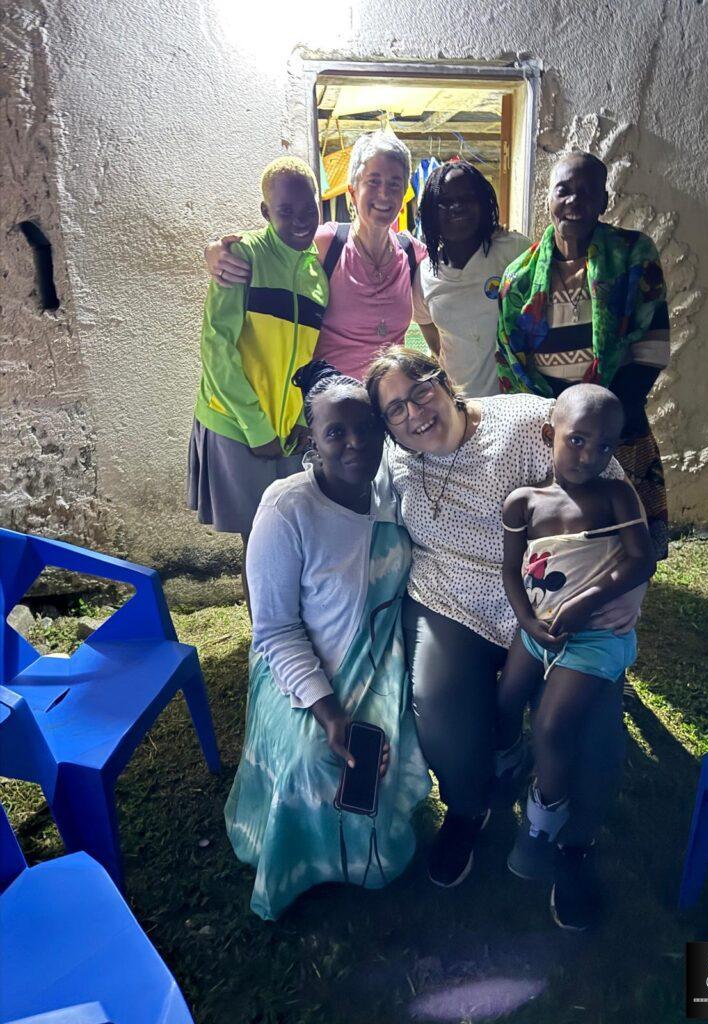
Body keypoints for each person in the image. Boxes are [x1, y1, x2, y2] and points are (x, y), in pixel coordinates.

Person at [364, 347, 632, 927]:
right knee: (439, 708)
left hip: (555, 606)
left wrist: (624, 596)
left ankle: (573, 844)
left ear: (445, 381)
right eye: (394, 410)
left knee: (593, 732)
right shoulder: (394, 460)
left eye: (421, 392)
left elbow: (613, 486)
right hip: (451, 600)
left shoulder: (526, 423)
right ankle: (469, 808)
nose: (414, 414)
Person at [225, 360, 430, 921]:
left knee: (376, 760)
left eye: (366, 427)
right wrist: (330, 712)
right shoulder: (287, 509)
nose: (355, 442)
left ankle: (364, 851)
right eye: (336, 431)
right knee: (314, 762)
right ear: (310, 439)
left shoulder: (394, 488)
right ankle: (298, 862)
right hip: (303, 667)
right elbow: (275, 630)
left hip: (380, 661)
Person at [499, 384, 655, 929]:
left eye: (605, 446)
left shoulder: (616, 497)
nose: (591, 456)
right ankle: (507, 765)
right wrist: (526, 622)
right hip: (536, 627)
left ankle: (544, 816)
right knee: (506, 699)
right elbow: (510, 570)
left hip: (594, 637)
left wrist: (584, 603)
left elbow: (640, 561)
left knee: (553, 725)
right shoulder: (523, 502)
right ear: (550, 435)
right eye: (578, 440)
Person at [497, 151, 671, 559]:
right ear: (548, 199)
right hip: (549, 423)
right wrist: (557, 423)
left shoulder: (633, 255)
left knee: (625, 521)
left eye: (587, 192)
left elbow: (652, 343)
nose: (574, 201)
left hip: (616, 414)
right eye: (564, 190)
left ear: (603, 201)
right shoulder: (519, 277)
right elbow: (510, 360)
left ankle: (627, 585)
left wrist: (604, 419)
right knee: (559, 526)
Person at [187, 156, 328, 610]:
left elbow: (305, 359)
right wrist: (256, 427)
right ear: (266, 212)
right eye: (286, 211)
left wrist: (300, 419)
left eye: (308, 209)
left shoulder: (316, 272)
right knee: (258, 541)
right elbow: (217, 349)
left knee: (290, 532)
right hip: (237, 423)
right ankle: (265, 638)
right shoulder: (244, 257)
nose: (300, 221)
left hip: (286, 430)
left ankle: (288, 625)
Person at [204, 131, 427, 381]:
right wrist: (214, 250)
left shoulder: (411, 252)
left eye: (394, 184)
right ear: (353, 191)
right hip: (332, 399)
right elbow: (272, 245)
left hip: (389, 399)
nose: (384, 194)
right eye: (373, 182)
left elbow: (450, 269)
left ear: (404, 192)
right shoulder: (328, 243)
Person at [412, 160, 530, 397]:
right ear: (432, 212)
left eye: (467, 198)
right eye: (445, 202)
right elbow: (428, 328)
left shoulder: (514, 250)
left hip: (516, 401)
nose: (457, 207)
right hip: (460, 405)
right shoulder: (425, 274)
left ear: (483, 203)